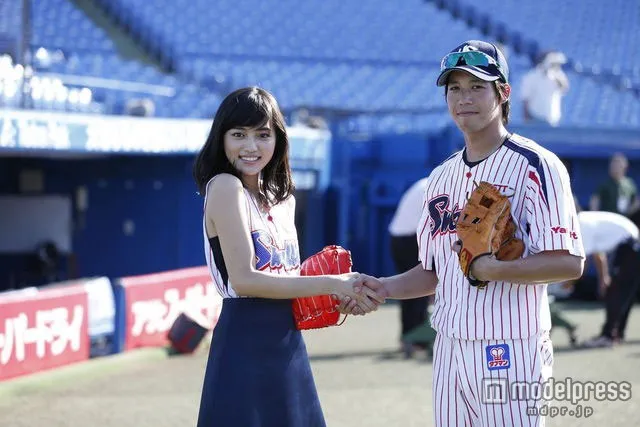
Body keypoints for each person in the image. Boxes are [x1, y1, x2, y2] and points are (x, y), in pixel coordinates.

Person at [342, 40, 584, 426]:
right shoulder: (440, 177)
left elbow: (568, 263)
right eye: (454, 88)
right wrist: (382, 287)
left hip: (510, 345)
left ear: (504, 93)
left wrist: (494, 269)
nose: (463, 98)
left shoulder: (537, 165)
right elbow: (434, 272)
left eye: (476, 86)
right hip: (449, 345)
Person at [192, 87, 384, 427]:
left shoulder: (282, 199)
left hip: (288, 341)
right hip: (244, 341)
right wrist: (333, 282)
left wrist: (338, 297)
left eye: (263, 135)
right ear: (221, 138)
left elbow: (285, 280)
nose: (251, 146)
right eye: (239, 134)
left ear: (278, 139)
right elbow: (245, 280)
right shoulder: (224, 186)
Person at [574, 210, 640, 348]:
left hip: (630, 246)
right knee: (623, 293)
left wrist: (570, 283)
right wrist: (603, 279)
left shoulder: (581, 224)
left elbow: (583, 262)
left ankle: (609, 336)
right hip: (631, 246)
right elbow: (598, 255)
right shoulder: (585, 221)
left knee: (617, 292)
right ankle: (617, 333)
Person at [387, 177, 431, 357]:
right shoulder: (438, 184)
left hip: (398, 239)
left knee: (408, 293)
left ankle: (408, 338)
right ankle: (418, 341)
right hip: (410, 240)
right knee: (420, 289)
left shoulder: (425, 183)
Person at [520, 50, 570, 126]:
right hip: (535, 118)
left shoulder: (558, 75)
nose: (557, 66)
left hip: (553, 119)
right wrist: (526, 119)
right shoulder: (531, 77)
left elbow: (564, 88)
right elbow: (525, 99)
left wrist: (556, 74)